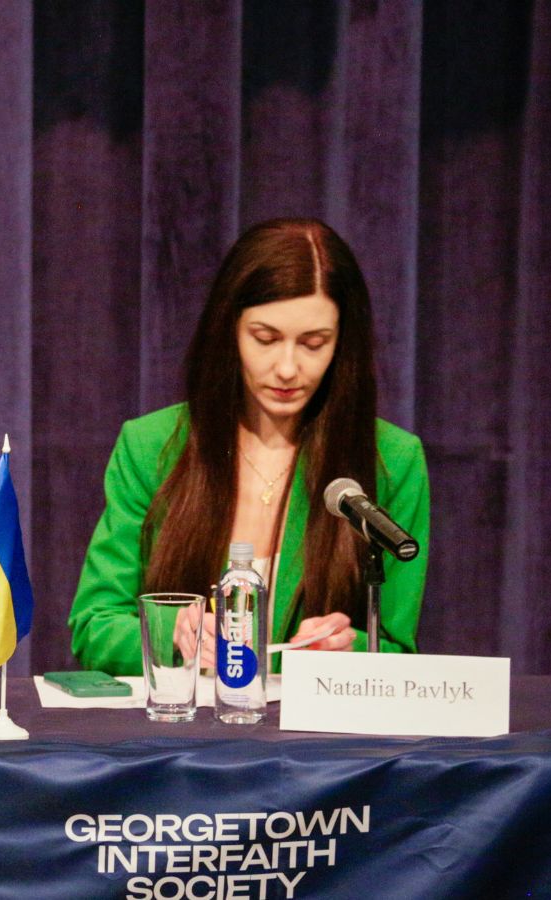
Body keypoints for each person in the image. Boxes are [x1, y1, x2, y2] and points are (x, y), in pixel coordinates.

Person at [69, 218, 428, 676]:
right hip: (186, 735)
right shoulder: (152, 445)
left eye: (314, 344)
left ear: (343, 345)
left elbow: (401, 650)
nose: (286, 368)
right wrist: (171, 629)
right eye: (265, 338)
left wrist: (351, 649)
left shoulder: (393, 461)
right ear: (229, 331)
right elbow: (94, 625)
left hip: (315, 744)